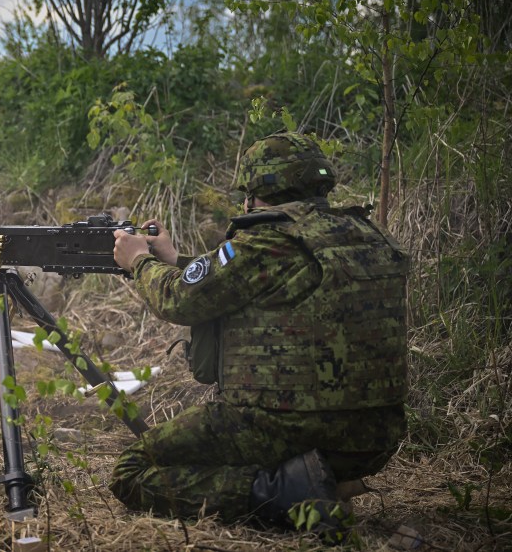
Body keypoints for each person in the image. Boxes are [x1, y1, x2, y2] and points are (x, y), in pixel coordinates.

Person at [109, 133, 409, 541]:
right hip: (374, 436)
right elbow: (246, 280)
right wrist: (177, 260)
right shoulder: (368, 235)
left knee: (133, 472)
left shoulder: (266, 241)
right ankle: (329, 478)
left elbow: (178, 300)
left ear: (253, 195)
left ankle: (289, 492)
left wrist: (138, 261)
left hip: (280, 426)